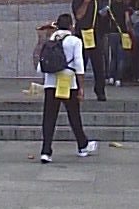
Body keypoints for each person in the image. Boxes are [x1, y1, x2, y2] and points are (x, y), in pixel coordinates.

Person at [38, 13, 99, 163]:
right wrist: (81, 87)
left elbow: (41, 65)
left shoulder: (51, 39)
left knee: (49, 117)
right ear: (71, 26)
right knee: (74, 115)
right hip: (68, 82)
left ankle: (46, 151)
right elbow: (79, 66)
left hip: (51, 82)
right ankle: (82, 145)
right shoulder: (75, 41)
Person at [71, 0, 106, 100]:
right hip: (82, 35)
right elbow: (78, 16)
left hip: (95, 35)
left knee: (98, 65)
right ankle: (77, 89)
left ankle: (100, 90)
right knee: (81, 64)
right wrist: (85, 3)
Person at [106, 0, 131, 87]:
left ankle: (111, 77)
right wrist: (129, 30)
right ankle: (118, 79)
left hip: (112, 33)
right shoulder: (125, 7)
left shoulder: (110, 7)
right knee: (121, 58)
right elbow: (127, 20)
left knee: (113, 56)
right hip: (122, 33)